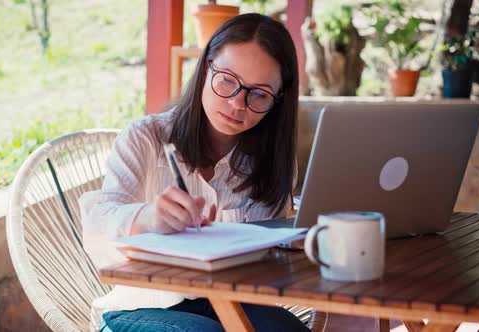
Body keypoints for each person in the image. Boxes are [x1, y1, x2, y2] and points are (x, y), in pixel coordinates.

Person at [79, 13, 308, 332]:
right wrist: (148, 217)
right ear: (204, 69)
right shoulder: (146, 138)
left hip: (231, 302)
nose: (237, 103)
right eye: (227, 79)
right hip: (141, 307)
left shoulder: (272, 161)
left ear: (278, 100)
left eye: (258, 94)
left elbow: (269, 256)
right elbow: (97, 224)